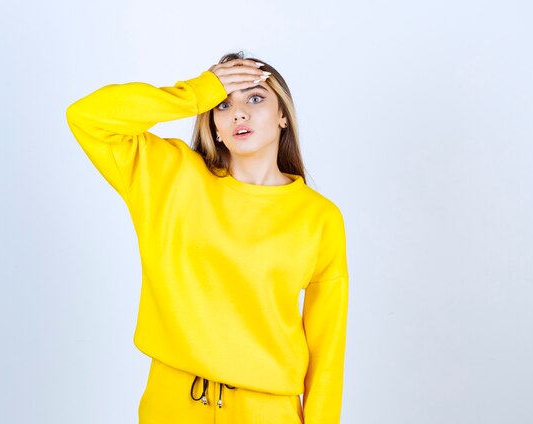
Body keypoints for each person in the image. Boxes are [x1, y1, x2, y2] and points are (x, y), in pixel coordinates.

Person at [65, 51, 350, 424]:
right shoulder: (168, 175)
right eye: (223, 104)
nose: (239, 113)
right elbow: (87, 116)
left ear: (283, 115)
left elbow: (327, 346)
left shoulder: (318, 217)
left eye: (255, 98)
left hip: (266, 411)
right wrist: (200, 91)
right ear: (212, 123)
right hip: (171, 403)